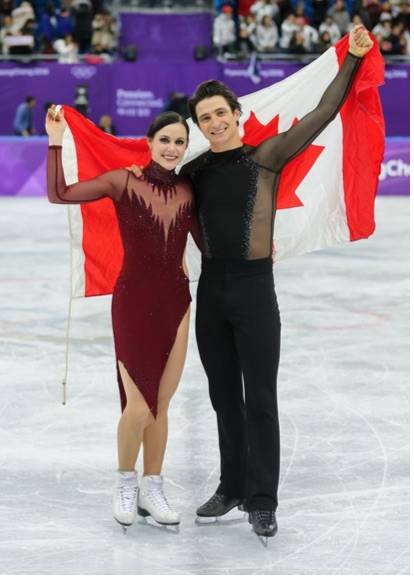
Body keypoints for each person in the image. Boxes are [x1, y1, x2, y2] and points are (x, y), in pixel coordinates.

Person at [179, 24, 373, 539]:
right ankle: (232, 485)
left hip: (253, 290)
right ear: (199, 126)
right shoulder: (193, 172)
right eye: (206, 118)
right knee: (224, 396)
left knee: (260, 396)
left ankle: (263, 498)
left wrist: (351, 59)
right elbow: (146, 174)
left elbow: (322, 114)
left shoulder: (265, 159)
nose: (215, 122)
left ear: (236, 115)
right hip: (211, 290)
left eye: (221, 113)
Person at [45, 108, 201, 530]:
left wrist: (259, 245)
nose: (172, 148)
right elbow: (60, 194)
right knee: (137, 407)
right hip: (133, 300)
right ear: (149, 143)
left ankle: (153, 486)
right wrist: (56, 140)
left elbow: (211, 242)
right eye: (165, 140)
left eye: (180, 142)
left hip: (177, 301)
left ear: (187, 148)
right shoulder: (123, 180)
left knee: (161, 405)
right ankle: (126, 481)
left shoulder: (190, 190)